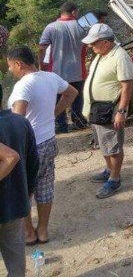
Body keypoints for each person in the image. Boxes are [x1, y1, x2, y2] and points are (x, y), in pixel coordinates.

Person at [7, 46, 78, 245]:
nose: (11, 70)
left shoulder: (23, 86)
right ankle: (43, 231)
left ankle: (29, 233)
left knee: (24, 190)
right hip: (48, 141)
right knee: (45, 187)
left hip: (28, 146)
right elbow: (72, 93)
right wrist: (53, 114)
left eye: (11, 66)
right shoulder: (50, 77)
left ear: (18, 63)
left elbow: (18, 119)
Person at [82, 23, 133, 199]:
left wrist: (121, 111)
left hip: (109, 110)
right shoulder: (101, 54)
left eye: (93, 43)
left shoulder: (120, 57)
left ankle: (114, 178)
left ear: (105, 42)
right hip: (96, 110)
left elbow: (126, 86)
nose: (90, 46)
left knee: (113, 146)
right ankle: (108, 170)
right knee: (103, 143)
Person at [0, 109, 39, 277]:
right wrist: (26, 195)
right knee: (16, 265)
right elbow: (33, 164)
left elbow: (12, 158)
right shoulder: (20, 122)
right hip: (15, 204)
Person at [39, 1, 88, 133]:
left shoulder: (51, 27)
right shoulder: (82, 25)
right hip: (78, 70)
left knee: (57, 98)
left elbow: (42, 47)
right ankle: (79, 122)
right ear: (73, 12)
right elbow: (92, 40)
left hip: (57, 71)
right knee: (77, 96)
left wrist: (41, 65)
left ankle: (61, 125)